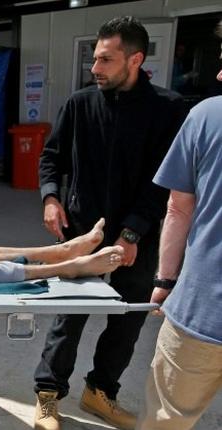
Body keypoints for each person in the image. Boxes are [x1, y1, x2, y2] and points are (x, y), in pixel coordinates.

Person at [34, 16, 187, 430]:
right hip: (82, 237)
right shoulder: (80, 105)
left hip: (137, 240)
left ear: (135, 59)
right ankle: (48, 397)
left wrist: (133, 232)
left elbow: (167, 181)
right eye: (94, 59)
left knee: (125, 322)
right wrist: (51, 197)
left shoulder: (168, 110)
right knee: (69, 318)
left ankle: (101, 392)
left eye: (105, 59)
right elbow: (52, 157)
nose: (95, 68)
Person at [136, 21, 222, 430]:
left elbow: (178, 209)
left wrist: (165, 280)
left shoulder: (207, 115)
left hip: (205, 310)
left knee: (167, 418)